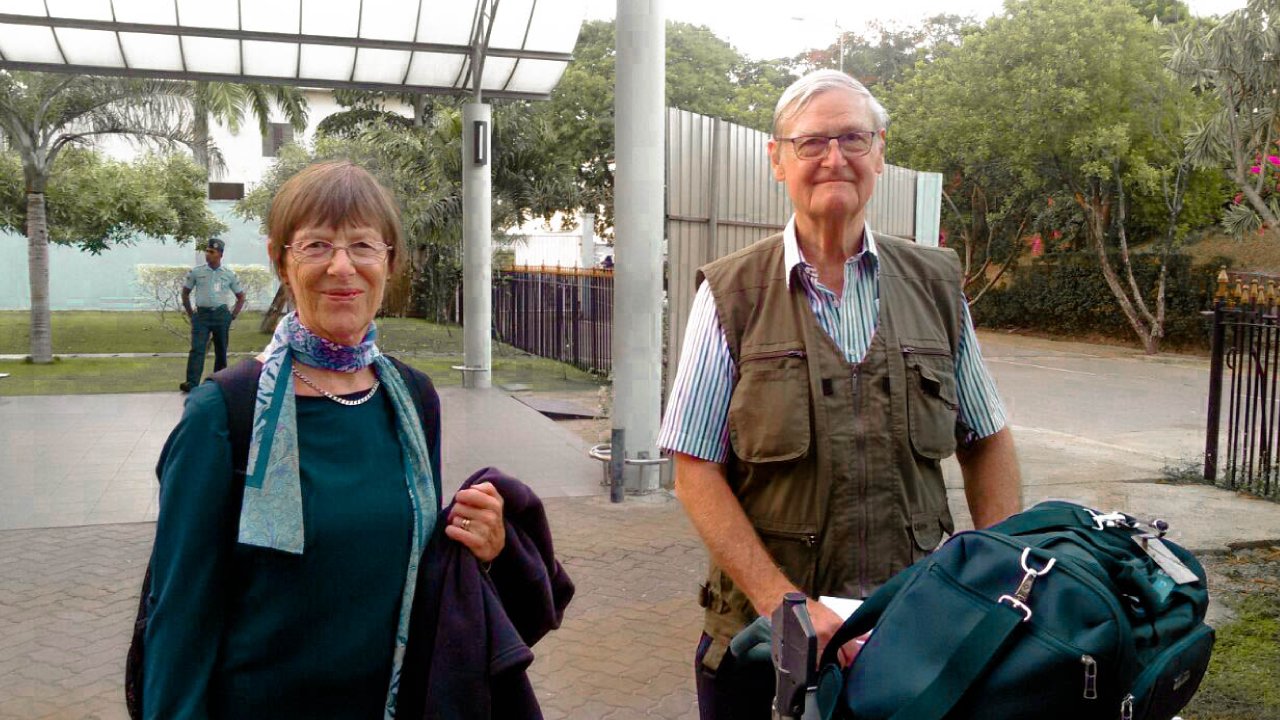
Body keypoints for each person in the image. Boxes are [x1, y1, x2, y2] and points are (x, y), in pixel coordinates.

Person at [140, 161, 568, 719]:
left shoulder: (411, 398)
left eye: (363, 245)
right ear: (281, 261)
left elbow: (407, 565)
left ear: (389, 261)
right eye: (316, 245)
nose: (342, 267)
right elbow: (180, 615)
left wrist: (483, 543)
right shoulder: (225, 413)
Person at [657, 70, 1022, 720]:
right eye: (812, 142)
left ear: (879, 153)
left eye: (853, 138)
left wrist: (996, 577)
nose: (834, 157)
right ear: (778, 159)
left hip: (912, 637)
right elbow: (694, 470)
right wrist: (784, 605)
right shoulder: (731, 295)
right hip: (763, 647)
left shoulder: (935, 285)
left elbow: (987, 439)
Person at [180, 237, 247, 392]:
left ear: (220, 255)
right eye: (207, 251)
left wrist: (232, 316)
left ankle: (220, 382)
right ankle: (191, 383)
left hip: (221, 316)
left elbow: (241, 297)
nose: (207, 254)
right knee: (197, 349)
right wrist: (191, 314)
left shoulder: (229, 274)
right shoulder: (197, 272)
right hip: (201, 316)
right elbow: (185, 293)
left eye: (212, 252)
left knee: (221, 350)